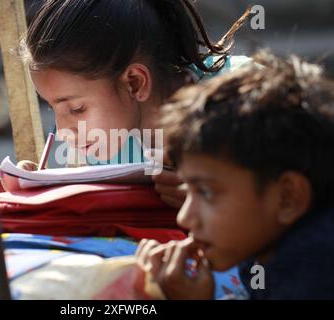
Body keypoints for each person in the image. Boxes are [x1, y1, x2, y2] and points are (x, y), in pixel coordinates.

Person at [17, 0, 252, 209]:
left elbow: (281, 204)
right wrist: (50, 189)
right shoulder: (108, 146)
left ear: (135, 83)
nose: (64, 131)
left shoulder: (242, 97)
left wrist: (213, 198)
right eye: (52, 107)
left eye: (77, 109)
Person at [136, 51, 334, 299]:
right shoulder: (263, 246)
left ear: (287, 197)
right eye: (187, 191)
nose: (185, 219)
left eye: (206, 192)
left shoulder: (312, 265)